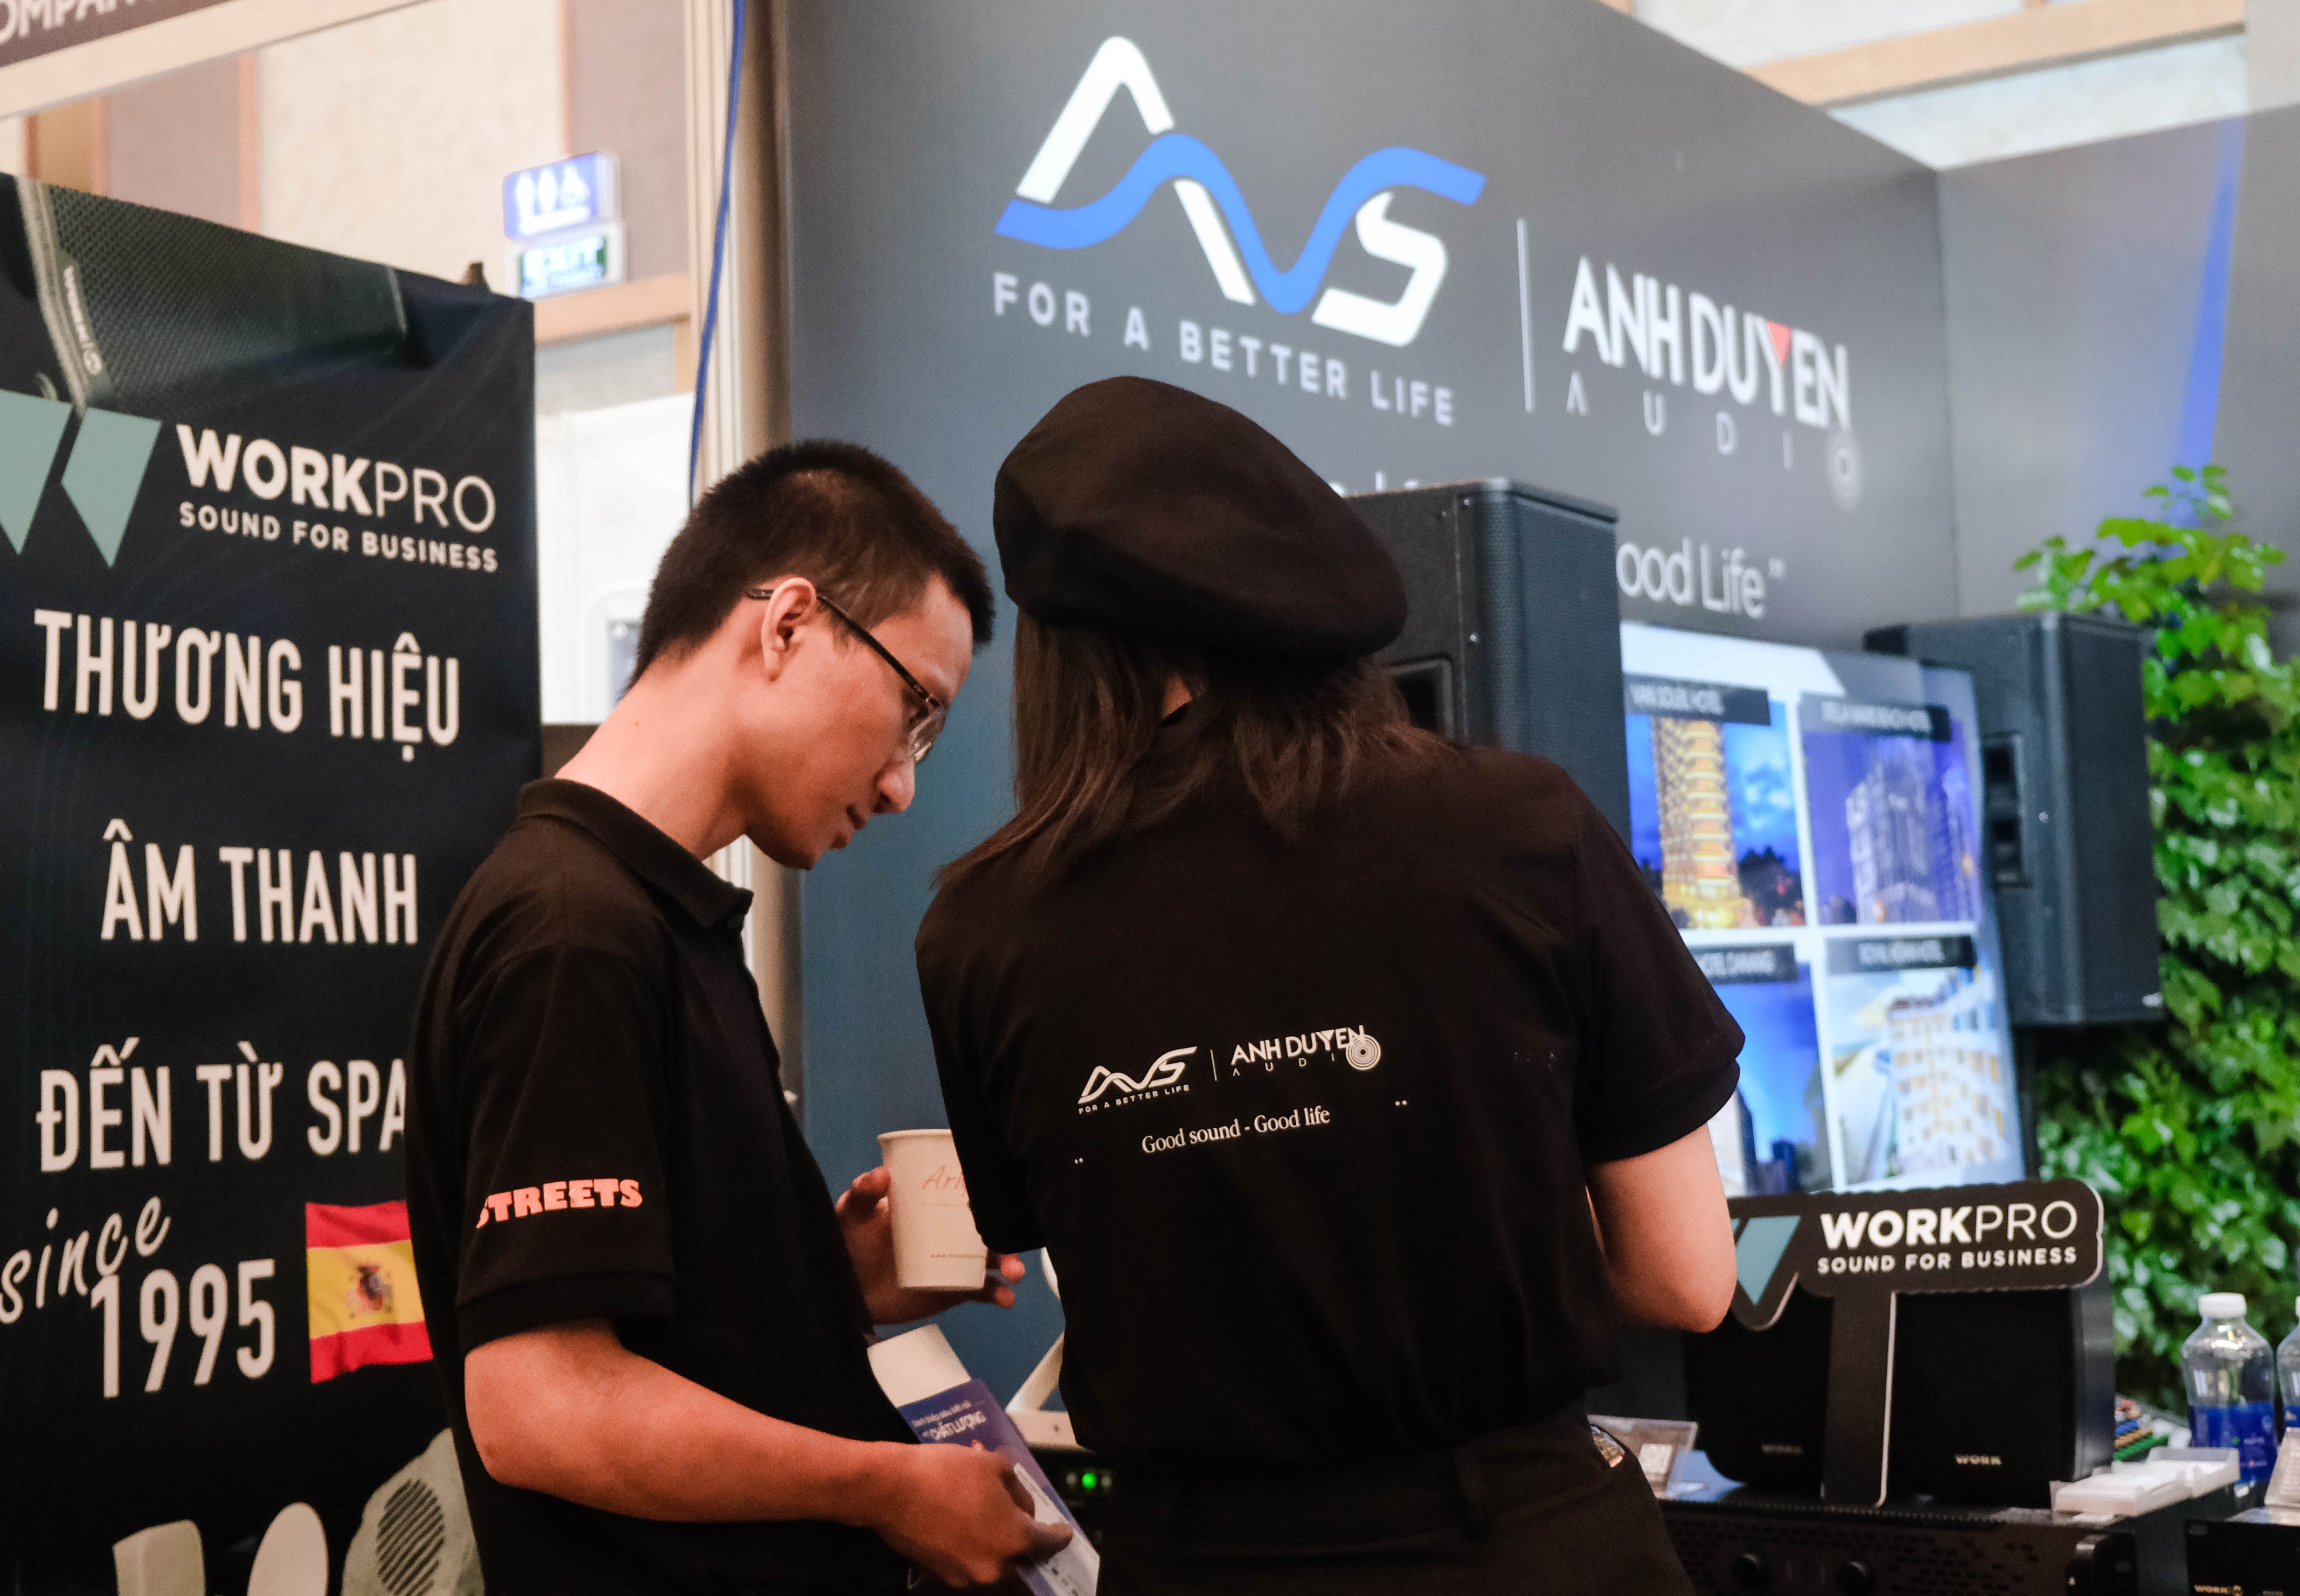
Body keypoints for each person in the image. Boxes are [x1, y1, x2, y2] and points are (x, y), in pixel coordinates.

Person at [917, 378, 1741, 1595]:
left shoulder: (982, 928)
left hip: (1193, 1562)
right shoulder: (1521, 828)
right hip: (1521, 1548)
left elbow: (1093, 1268)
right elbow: (1685, 1274)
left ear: (1057, 655)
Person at [403, 441, 1071, 1596]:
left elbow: (649, 1333)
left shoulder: (666, 924)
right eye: (915, 712)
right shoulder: (573, 933)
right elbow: (542, 1407)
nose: (903, 782)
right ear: (789, 625)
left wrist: (825, 1280)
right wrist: (890, 1487)